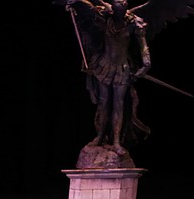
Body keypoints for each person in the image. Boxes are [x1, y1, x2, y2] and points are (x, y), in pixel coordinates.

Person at [65, 0, 152, 154]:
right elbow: (86, 18)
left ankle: (117, 141)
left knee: (118, 104)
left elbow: (143, 47)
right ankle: (99, 136)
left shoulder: (133, 23)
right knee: (104, 103)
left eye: (124, 2)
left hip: (122, 68)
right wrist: (74, 5)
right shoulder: (104, 17)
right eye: (118, 2)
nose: (121, 3)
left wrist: (146, 64)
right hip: (104, 65)